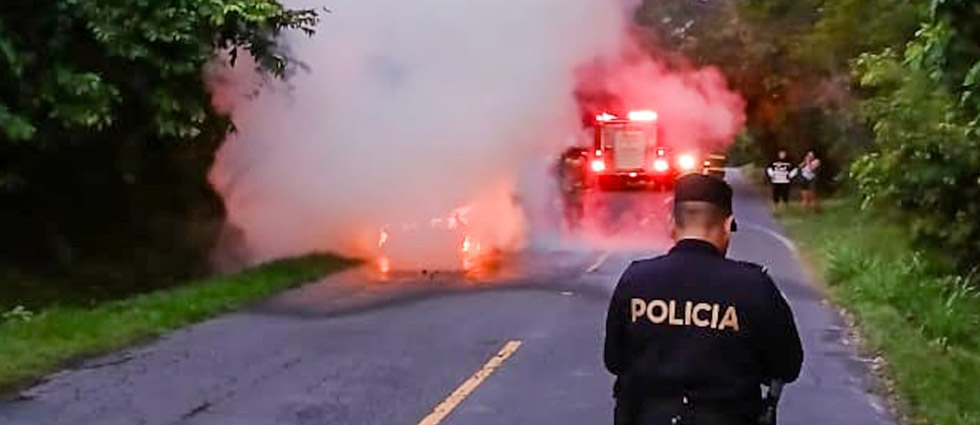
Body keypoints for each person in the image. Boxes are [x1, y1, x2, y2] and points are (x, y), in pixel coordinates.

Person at [604, 174, 804, 425]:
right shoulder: (755, 285)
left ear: (671, 224)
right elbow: (788, 366)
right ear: (727, 224)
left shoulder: (635, 279)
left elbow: (613, 360)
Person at [556, 147, 587, 229]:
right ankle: (577, 224)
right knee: (576, 206)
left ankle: (572, 224)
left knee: (570, 207)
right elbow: (584, 175)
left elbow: (559, 174)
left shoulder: (564, 161)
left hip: (569, 187)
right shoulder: (582, 161)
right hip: (575, 187)